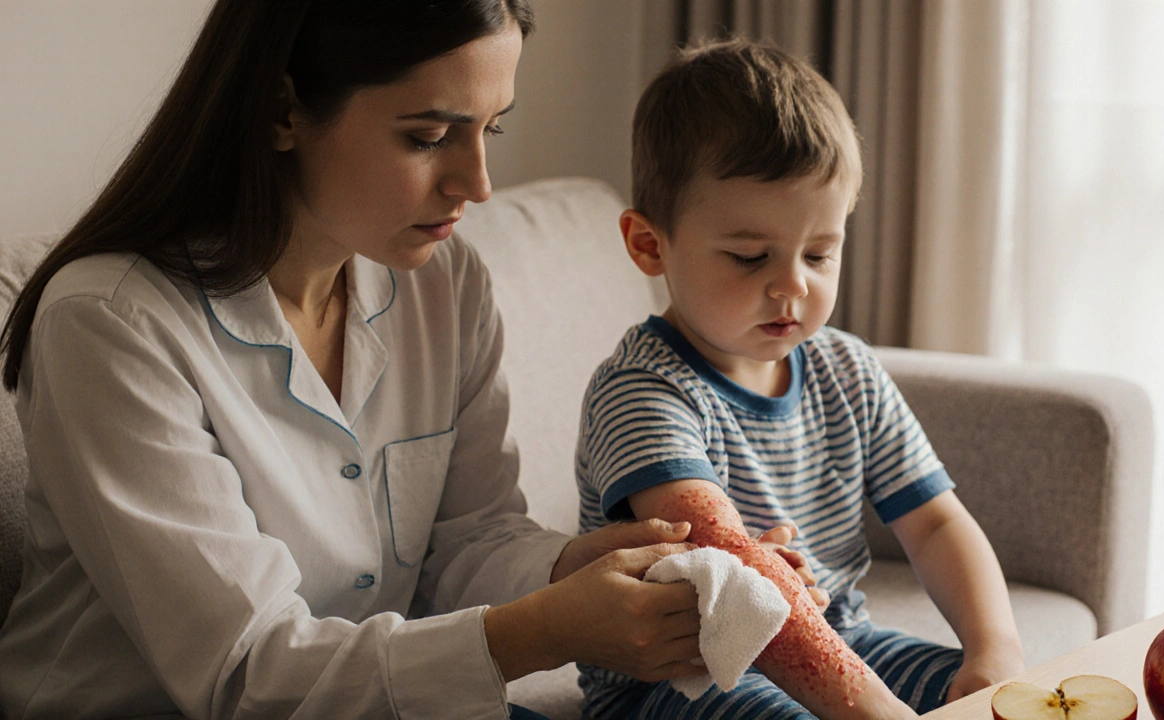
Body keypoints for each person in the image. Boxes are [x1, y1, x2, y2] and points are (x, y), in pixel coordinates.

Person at [0, 3, 826, 719]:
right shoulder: (108, 326)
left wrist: (609, 565)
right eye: (430, 135)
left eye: (490, 128)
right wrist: (549, 628)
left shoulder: (442, 282)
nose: (477, 182)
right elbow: (246, 674)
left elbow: (467, 540)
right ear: (280, 110)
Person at [574, 39, 1028, 719]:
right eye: (750, 256)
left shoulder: (846, 369)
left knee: (1019, 698)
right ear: (649, 244)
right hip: (682, 678)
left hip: (843, 639)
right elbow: (727, 561)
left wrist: (994, 651)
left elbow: (934, 525)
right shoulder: (642, 391)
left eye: (819, 253)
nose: (792, 284)